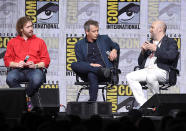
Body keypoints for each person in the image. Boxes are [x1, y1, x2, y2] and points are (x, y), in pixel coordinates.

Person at [126, 20, 178, 106]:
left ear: (160, 29)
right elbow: (140, 63)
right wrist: (142, 52)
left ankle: (158, 103)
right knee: (130, 76)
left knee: (150, 76)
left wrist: (156, 49)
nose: (150, 30)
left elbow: (171, 56)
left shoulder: (170, 42)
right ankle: (144, 105)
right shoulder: (150, 43)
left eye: (152, 27)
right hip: (147, 70)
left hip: (162, 71)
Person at [71, 20, 120, 101]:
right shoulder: (79, 45)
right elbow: (80, 63)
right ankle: (97, 69)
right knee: (74, 64)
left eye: (97, 31)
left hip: (105, 74)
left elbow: (116, 45)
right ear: (87, 32)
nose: (97, 33)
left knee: (91, 74)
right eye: (94, 31)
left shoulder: (104, 39)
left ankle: (92, 101)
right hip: (87, 73)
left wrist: (114, 50)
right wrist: (91, 65)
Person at [4, 16, 50, 97]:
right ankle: (25, 99)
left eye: (32, 26)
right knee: (10, 79)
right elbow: (7, 61)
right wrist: (17, 64)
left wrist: (35, 65)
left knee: (37, 79)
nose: (31, 29)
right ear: (21, 29)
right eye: (28, 27)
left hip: (34, 70)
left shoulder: (40, 42)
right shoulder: (12, 42)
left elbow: (46, 61)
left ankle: (25, 98)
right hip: (18, 70)